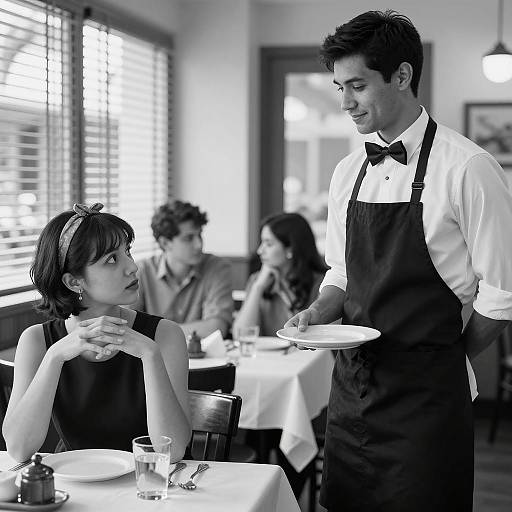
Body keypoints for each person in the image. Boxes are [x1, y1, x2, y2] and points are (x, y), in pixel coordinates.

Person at [285, 10, 512, 512]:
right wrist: (315, 314)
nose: (344, 102)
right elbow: (341, 274)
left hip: (426, 405)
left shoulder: (469, 168)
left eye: (357, 86)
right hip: (351, 393)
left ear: (403, 76)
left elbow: (502, 294)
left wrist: (447, 360)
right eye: (339, 87)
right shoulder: (348, 172)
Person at [2, 203, 191, 463]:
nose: (132, 267)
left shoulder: (164, 335)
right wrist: (55, 356)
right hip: (75, 490)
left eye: (128, 252)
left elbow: (172, 452)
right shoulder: (37, 341)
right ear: (74, 281)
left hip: (152, 490)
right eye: (112, 259)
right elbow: (18, 449)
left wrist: (150, 355)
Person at [234, 211, 327, 497]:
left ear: (290, 249)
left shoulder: (321, 285)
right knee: (258, 422)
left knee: (277, 423)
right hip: (272, 382)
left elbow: (312, 338)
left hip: (314, 392)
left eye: (268, 243)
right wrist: (260, 286)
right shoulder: (259, 281)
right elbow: (241, 334)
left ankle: (287, 500)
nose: (260, 250)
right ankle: (262, 497)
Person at [131, 201, 233, 339]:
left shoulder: (217, 268)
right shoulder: (140, 272)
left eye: (200, 235)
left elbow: (216, 328)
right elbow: (128, 328)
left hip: (205, 359)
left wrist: (152, 331)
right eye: (189, 238)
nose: (199, 244)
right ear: (165, 243)